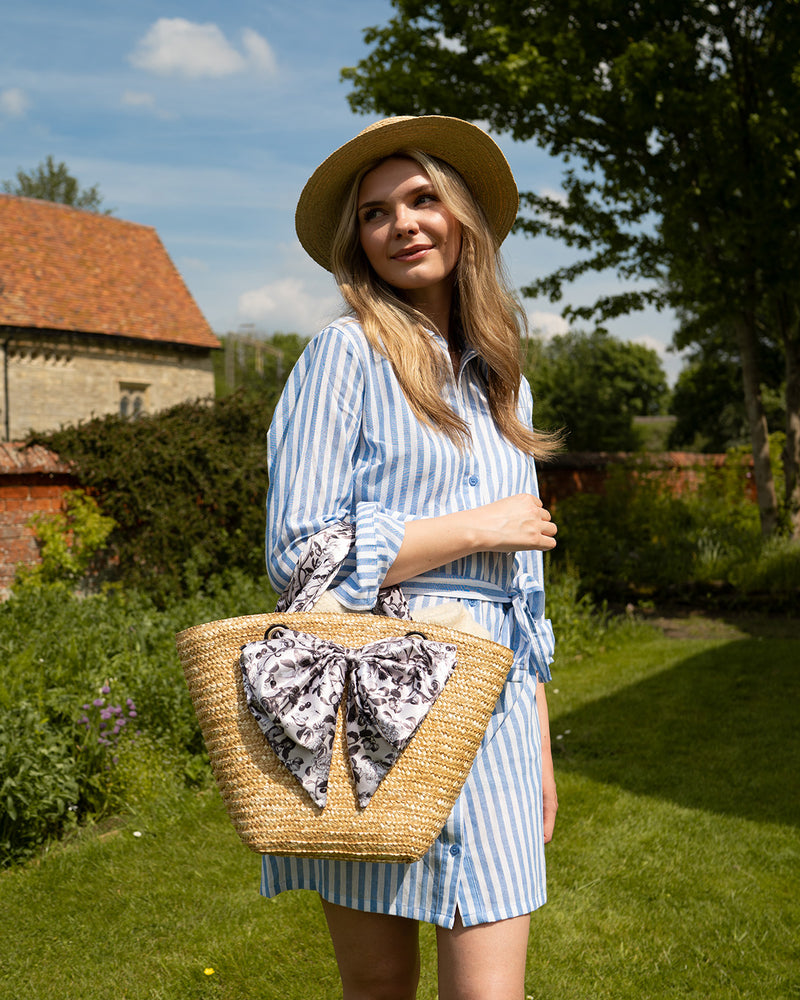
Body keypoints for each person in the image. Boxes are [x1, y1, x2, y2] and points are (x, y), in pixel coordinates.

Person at [264, 115, 560, 1000]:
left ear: (462, 216)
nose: (403, 224)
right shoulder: (344, 353)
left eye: (423, 198)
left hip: (498, 710)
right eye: (376, 212)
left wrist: (538, 741)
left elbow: (526, 597)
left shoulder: (502, 380)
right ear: (358, 240)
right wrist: (480, 527)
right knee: (380, 987)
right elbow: (299, 551)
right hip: (377, 705)